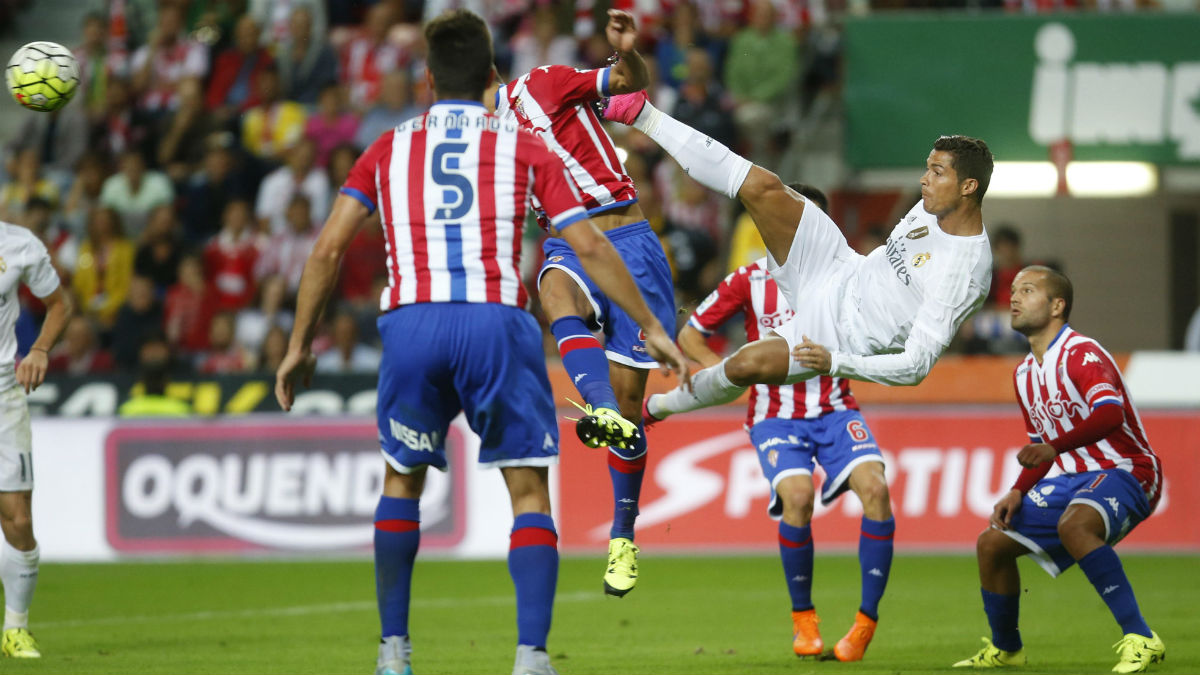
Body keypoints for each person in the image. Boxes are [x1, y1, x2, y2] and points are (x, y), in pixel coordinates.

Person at [273, 10, 688, 675]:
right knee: (527, 493)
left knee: (401, 480)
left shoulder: (387, 147)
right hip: (495, 320)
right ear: (492, 74)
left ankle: (392, 653)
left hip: (411, 323)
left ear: (428, 81)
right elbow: (586, 242)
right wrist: (655, 325)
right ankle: (529, 657)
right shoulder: (524, 149)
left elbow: (325, 252)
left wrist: (298, 343)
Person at [601, 93, 994, 416]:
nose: (925, 179)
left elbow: (916, 367)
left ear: (968, 186)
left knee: (743, 366)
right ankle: (643, 114)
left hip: (839, 336)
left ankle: (650, 410)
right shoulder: (930, 204)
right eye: (927, 167)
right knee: (764, 186)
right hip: (838, 266)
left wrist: (835, 363)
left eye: (938, 172)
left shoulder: (964, 272)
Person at [488, 9, 677, 599]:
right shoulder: (482, 146)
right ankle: (599, 409)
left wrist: (629, 50)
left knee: (632, 398)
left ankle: (624, 535)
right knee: (552, 291)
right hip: (568, 245)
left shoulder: (541, 83)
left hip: (628, 242)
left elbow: (629, 84)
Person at [677, 183, 893, 662]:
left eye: (812, 224)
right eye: (793, 221)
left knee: (876, 490)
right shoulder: (748, 279)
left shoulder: (852, 277)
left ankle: (864, 624)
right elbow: (691, 332)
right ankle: (804, 621)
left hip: (836, 407)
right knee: (797, 498)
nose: (800, 233)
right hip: (776, 416)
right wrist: (724, 377)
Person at [953, 266, 1165, 673]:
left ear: (1057, 305)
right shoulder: (1025, 375)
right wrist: (1017, 489)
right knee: (991, 544)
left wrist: (1052, 446)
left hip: (1128, 468)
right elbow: (1040, 448)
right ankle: (1007, 649)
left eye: (1027, 290)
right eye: (1013, 290)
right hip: (1073, 478)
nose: (1014, 298)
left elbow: (1109, 414)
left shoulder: (1082, 353)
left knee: (1074, 525)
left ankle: (1141, 637)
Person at [0, 219, 73, 658]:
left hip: (3, 394)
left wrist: (41, 348)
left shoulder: (18, 244)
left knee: (19, 519)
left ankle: (15, 628)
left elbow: (59, 305)